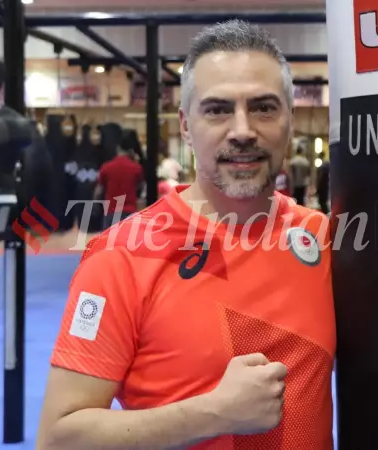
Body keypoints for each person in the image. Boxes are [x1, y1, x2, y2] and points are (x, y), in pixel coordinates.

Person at [36, 19, 335, 450]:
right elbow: (57, 441)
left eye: (264, 108)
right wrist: (213, 414)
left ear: (290, 120)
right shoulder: (121, 256)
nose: (242, 130)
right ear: (184, 125)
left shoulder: (320, 238)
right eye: (217, 110)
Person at [93, 132, 144, 229]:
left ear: (117, 148)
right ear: (131, 150)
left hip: (111, 212)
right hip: (129, 213)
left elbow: (98, 191)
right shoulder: (137, 168)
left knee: (109, 238)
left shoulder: (106, 167)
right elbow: (140, 188)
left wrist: (95, 206)